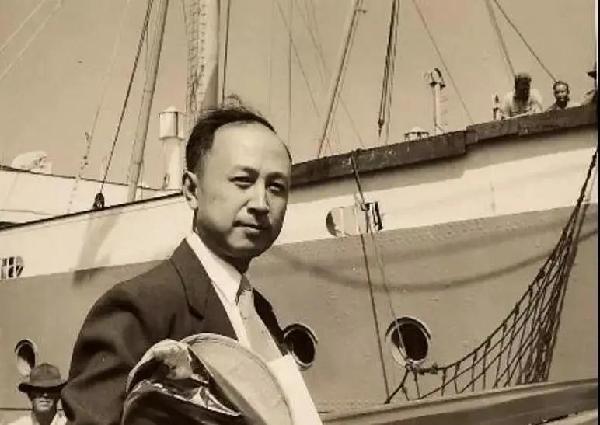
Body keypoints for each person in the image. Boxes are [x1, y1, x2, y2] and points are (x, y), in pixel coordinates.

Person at [61, 106, 311, 425]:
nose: (261, 204)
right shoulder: (139, 308)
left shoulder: (260, 311)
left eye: (276, 187)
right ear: (192, 190)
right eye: (243, 181)